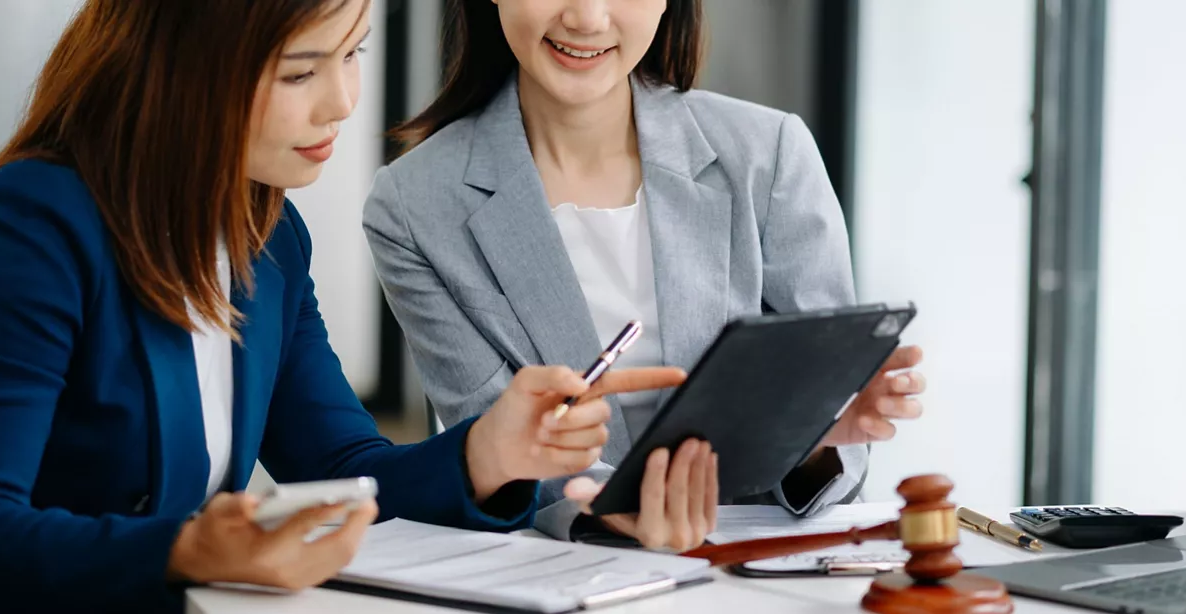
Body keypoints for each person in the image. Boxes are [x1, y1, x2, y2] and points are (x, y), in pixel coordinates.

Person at [0, 1, 684, 612]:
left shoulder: (268, 235)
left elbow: (339, 466)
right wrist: (187, 549)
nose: (344, 102)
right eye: (302, 69)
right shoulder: (37, 223)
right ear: (189, 73)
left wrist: (486, 455)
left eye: (352, 55)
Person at [362, 0, 926, 548]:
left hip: (749, 569)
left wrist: (808, 433)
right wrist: (616, 509)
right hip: (562, 566)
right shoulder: (413, 206)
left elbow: (835, 453)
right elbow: (491, 445)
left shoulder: (770, 153)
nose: (586, 18)